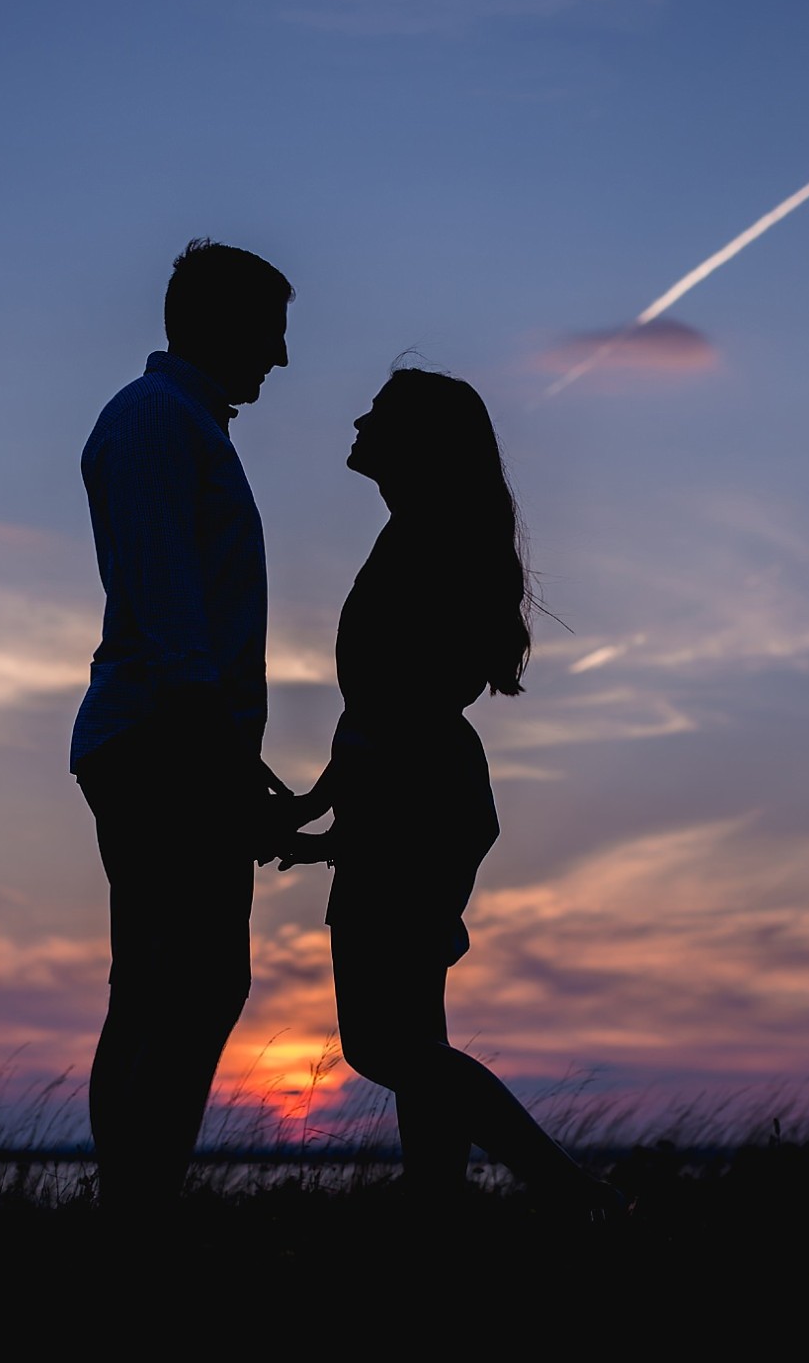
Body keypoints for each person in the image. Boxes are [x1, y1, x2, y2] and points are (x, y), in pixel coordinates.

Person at [276, 368, 623, 1216]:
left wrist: (336, 810)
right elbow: (392, 702)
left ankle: (572, 1194)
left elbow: (401, 700)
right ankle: (438, 1221)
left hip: (411, 799)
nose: (358, 419)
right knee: (413, 1035)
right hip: (419, 795)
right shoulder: (424, 533)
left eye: (381, 414)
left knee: (381, 1043)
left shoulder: (428, 539)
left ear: (418, 442)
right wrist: (329, 810)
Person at [70, 238, 296, 1212]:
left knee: (168, 984)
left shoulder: (182, 423)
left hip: (175, 739)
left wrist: (238, 768)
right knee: (187, 982)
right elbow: (170, 614)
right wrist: (221, 763)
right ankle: (134, 1213)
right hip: (163, 741)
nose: (279, 356)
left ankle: (132, 1209)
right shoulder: (158, 421)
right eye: (269, 331)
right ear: (221, 322)